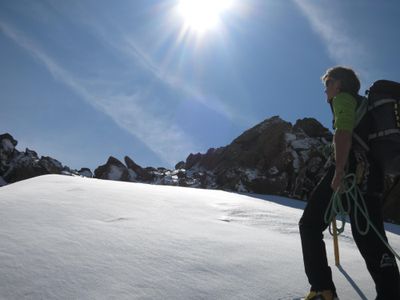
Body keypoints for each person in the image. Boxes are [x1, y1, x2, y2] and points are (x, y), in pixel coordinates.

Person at [299, 66, 400, 300]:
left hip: (353, 172)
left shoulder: (344, 99)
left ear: (338, 84)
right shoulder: (364, 105)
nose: (325, 92)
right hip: (372, 175)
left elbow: (342, 132)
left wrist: (339, 171)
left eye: (328, 85)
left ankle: (323, 290)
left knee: (310, 224)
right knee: (370, 237)